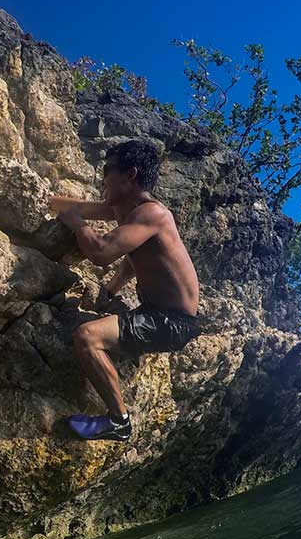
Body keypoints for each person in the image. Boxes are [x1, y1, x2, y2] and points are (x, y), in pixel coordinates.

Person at [50, 140, 202, 441]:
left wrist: (78, 225)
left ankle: (119, 422)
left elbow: (102, 252)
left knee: (86, 337)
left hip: (172, 323)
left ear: (129, 175)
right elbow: (79, 209)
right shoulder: (126, 209)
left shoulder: (153, 214)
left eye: (108, 170)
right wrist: (113, 287)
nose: (102, 177)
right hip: (155, 311)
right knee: (97, 326)